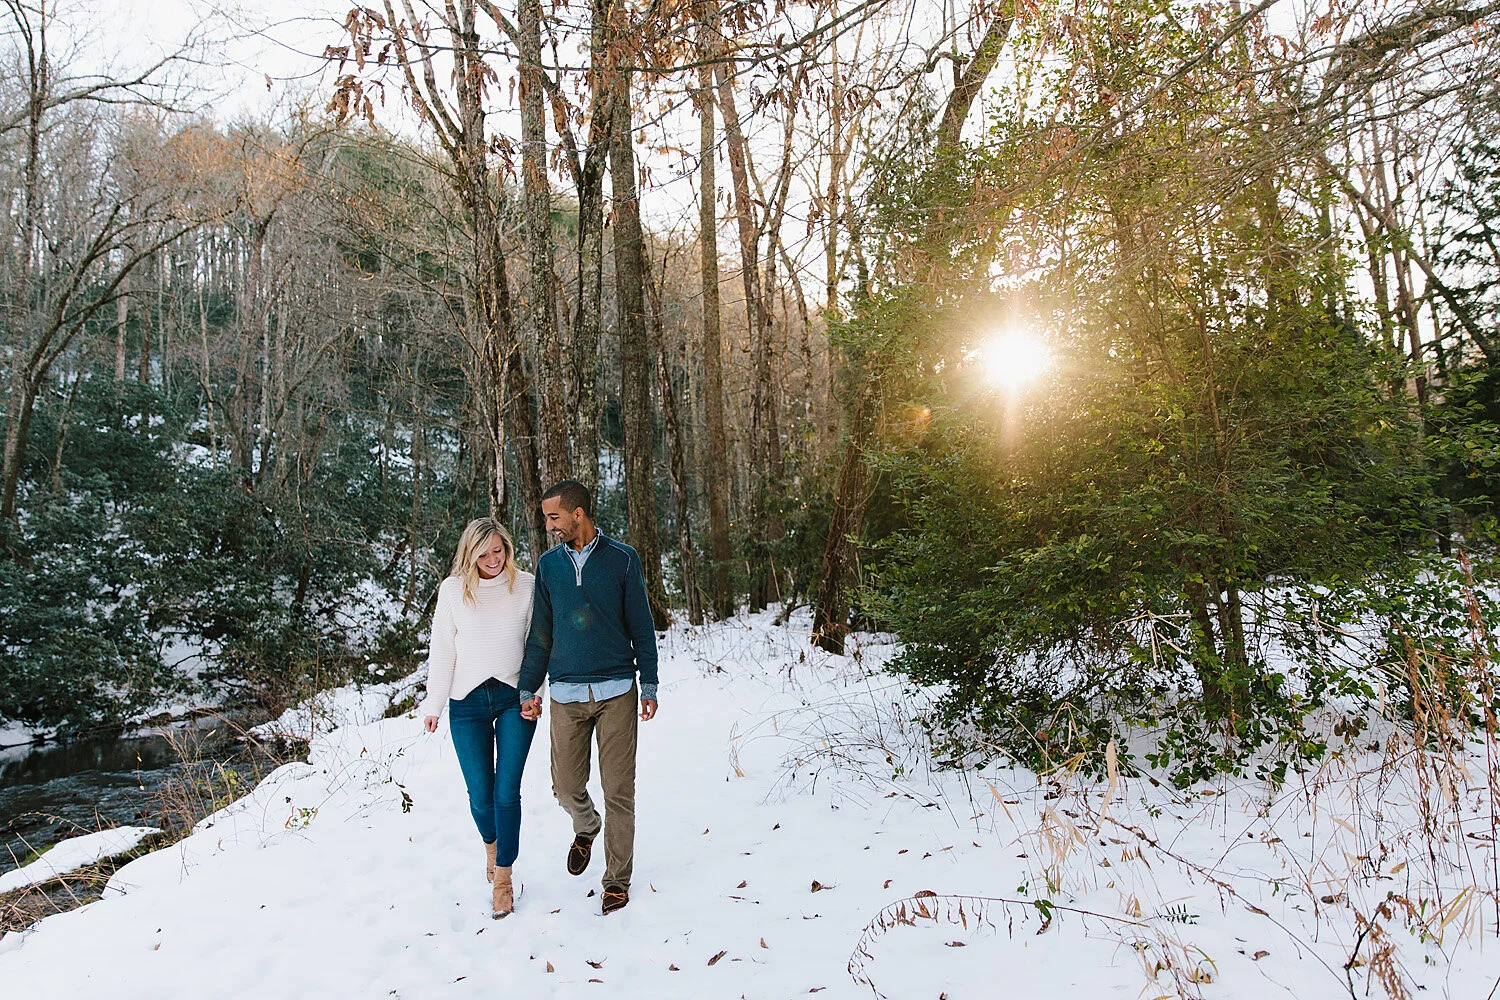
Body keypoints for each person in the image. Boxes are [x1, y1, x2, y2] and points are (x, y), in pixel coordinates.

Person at [518, 480, 659, 915]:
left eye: (554, 517)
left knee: (619, 790)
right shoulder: (549, 566)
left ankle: (616, 880)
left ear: (577, 514)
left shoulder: (622, 559)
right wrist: (529, 687)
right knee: (565, 786)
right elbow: (540, 634)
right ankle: (586, 825)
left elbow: (641, 624)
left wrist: (649, 683)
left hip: (617, 690)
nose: (549, 525)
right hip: (565, 694)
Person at [420, 517, 537, 919]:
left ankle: (503, 878)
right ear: (470, 554)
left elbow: (537, 646)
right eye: (483, 553)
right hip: (466, 702)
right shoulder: (453, 592)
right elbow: (442, 652)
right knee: (480, 795)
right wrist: (434, 704)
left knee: (507, 792)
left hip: (513, 699)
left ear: (507, 547)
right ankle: (492, 846)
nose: (492, 559)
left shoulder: (525, 585)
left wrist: (535, 694)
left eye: (498, 550)